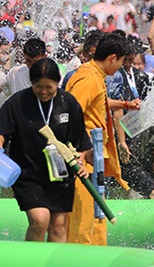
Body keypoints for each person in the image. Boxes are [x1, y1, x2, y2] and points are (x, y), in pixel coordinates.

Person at [0, 58, 92, 242]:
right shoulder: (17, 103)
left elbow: (82, 143)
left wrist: (82, 160)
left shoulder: (68, 102)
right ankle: (31, 266)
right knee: (39, 221)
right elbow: (2, 132)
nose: (43, 91)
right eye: (38, 86)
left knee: (58, 226)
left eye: (49, 87)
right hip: (28, 173)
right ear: (31, 83)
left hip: (60, 174)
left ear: (57, 83)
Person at [65, 33, 137, 245]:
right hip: (82, 157)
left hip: (93, 157)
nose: (121, 67)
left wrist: (125, 105)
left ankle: (98, 263)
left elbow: (98, 102)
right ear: (112, 57)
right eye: (122, 62)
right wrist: (76, 152)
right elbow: (69, 114)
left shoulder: (95, 76)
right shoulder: (88, 78)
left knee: (97, 218)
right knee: (83, 219)